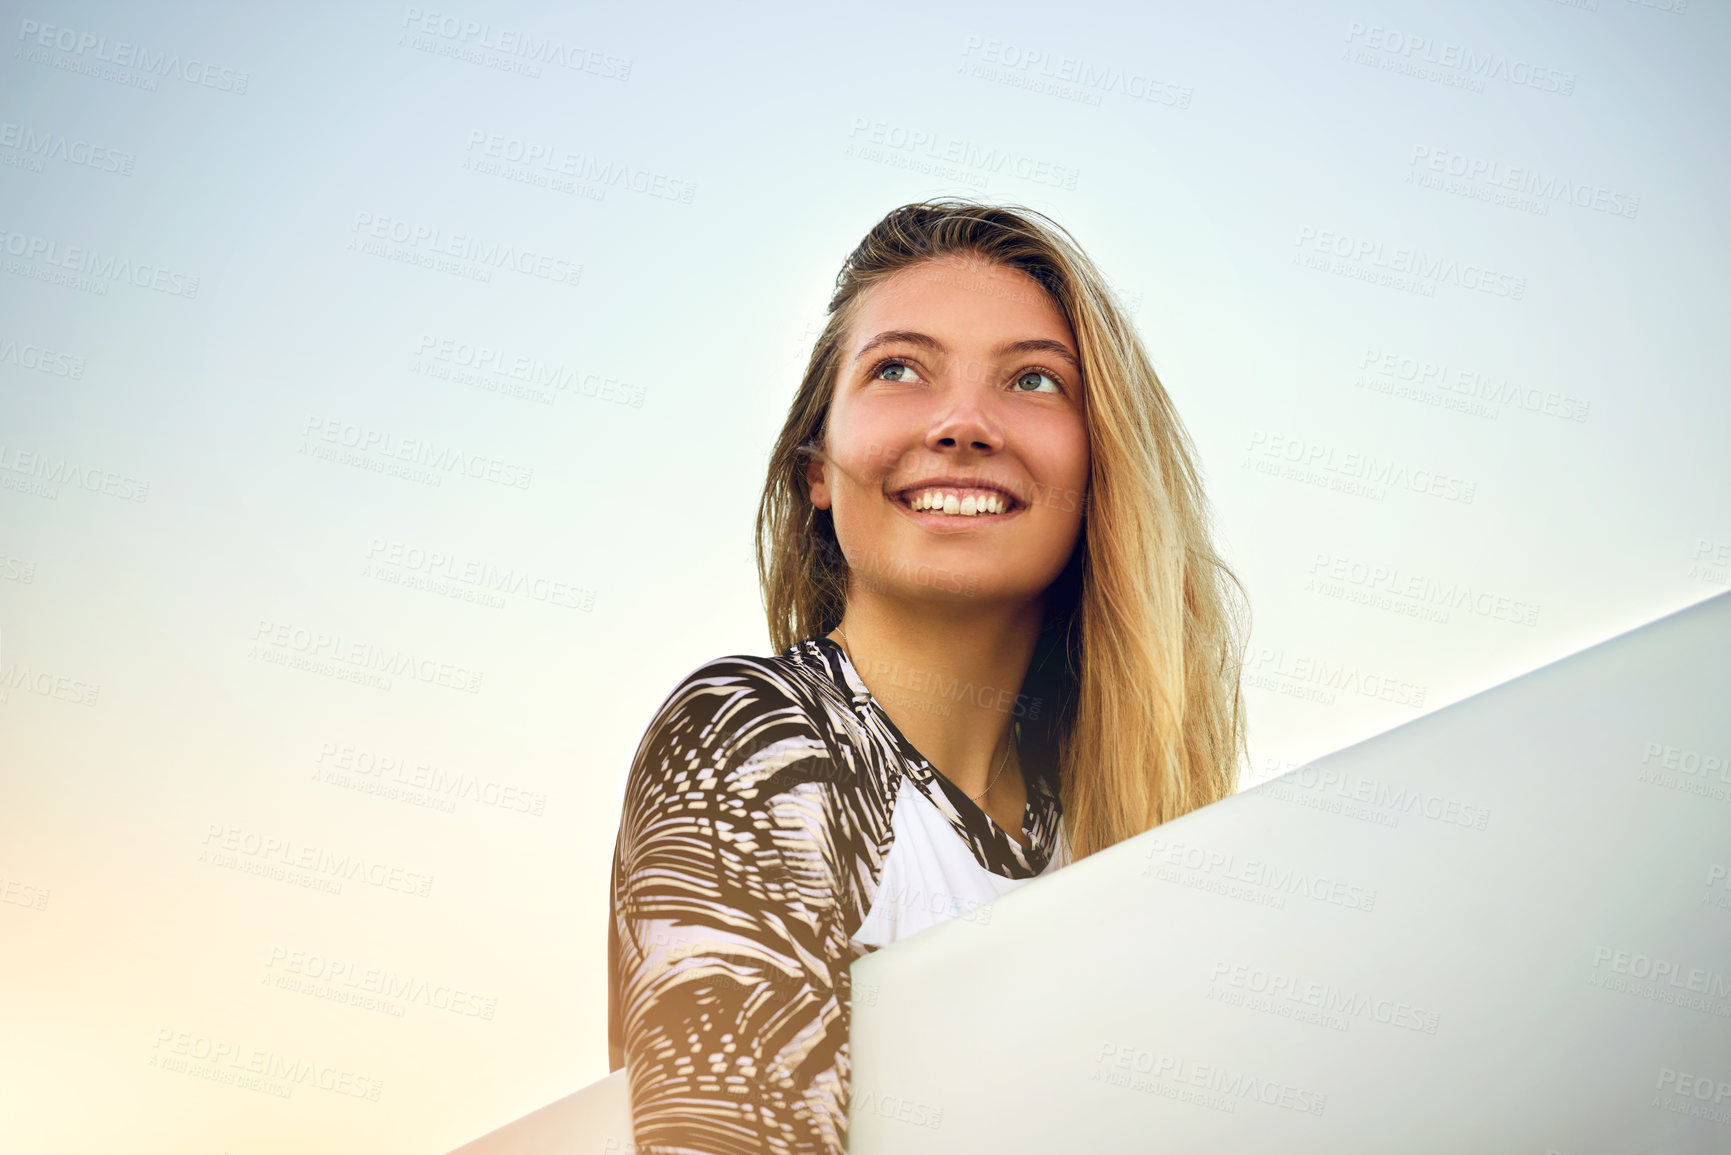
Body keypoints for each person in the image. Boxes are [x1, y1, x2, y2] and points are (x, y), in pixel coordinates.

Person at [606, 199, 1248, 1154]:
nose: (961, 422)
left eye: (1033, 379)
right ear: (813, 469)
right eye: (898, 369)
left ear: (1103, 463)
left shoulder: (1129, 819)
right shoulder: (759, 737)